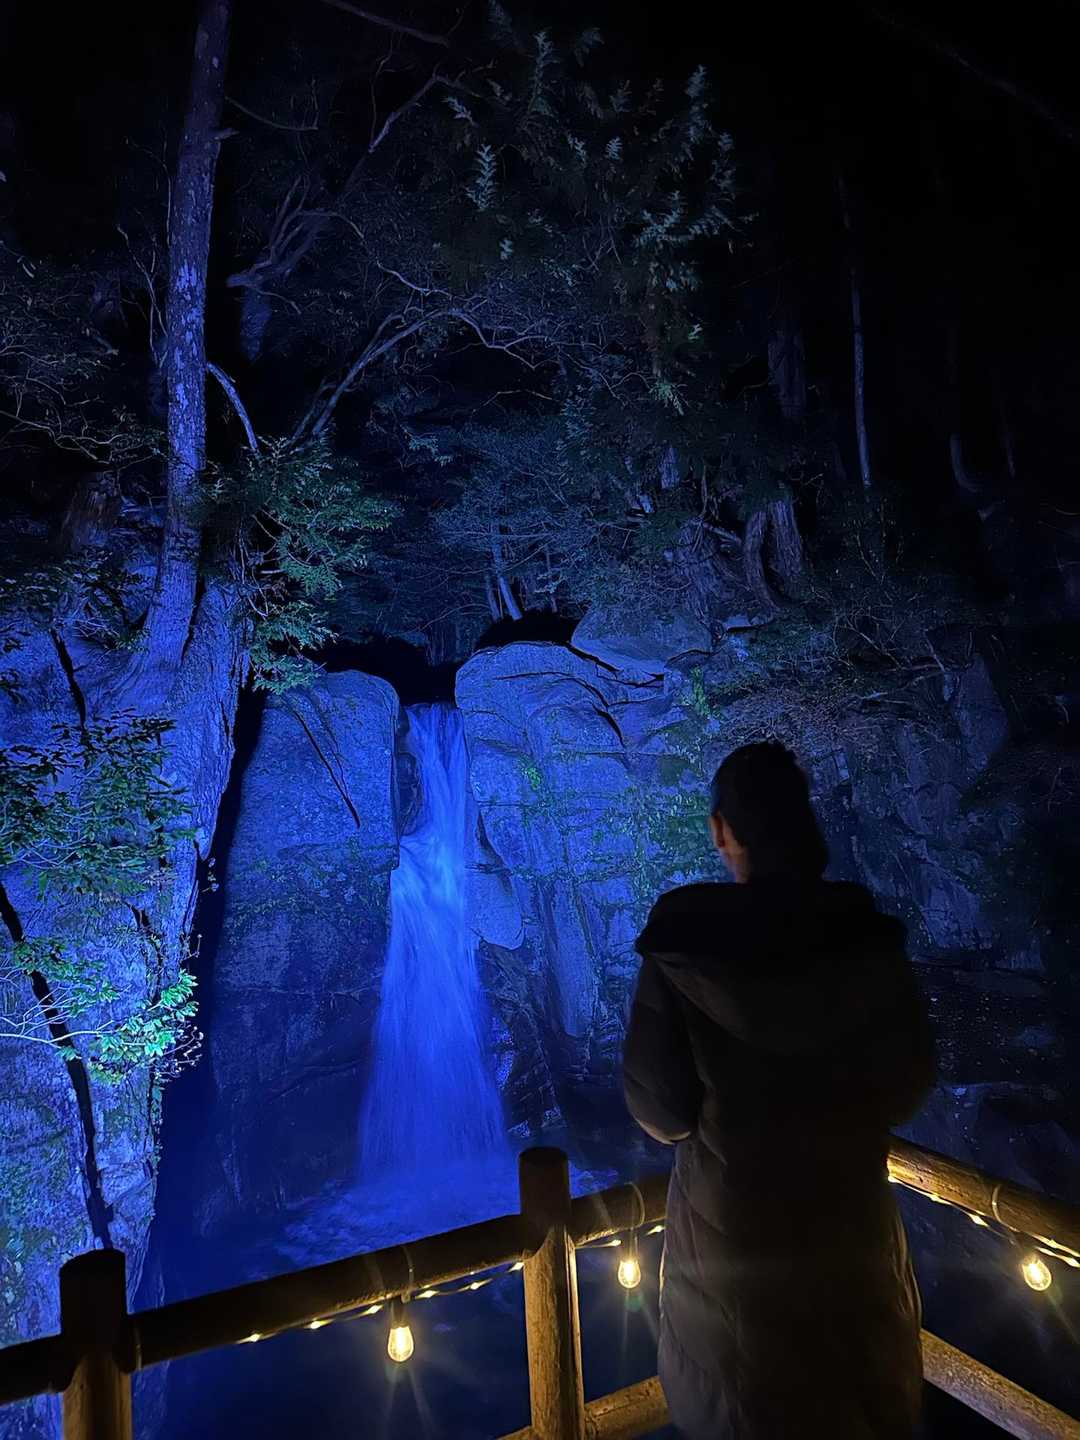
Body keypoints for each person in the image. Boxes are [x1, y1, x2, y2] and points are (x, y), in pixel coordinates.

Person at [623, 740, 936, 1439]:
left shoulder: (685, 945)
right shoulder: (862, 938)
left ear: (722, 831)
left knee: (744, 1408)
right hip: (851, 1251)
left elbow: (660, 1110)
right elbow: (905, 1088)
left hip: (732, 1272)